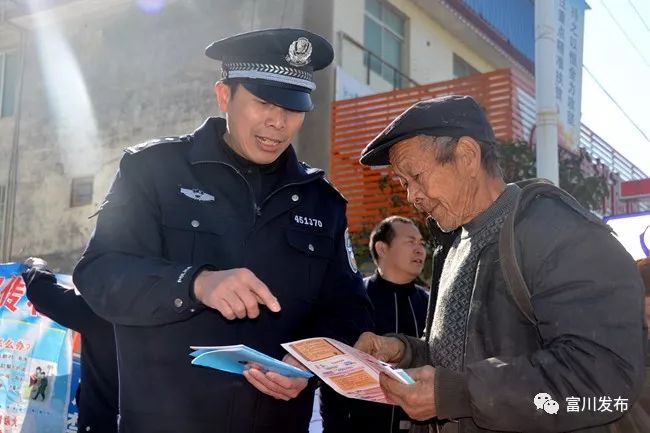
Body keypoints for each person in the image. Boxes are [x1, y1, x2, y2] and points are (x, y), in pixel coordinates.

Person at [73, 28, 372, 433]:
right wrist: (195, 284)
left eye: (294, 108)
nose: (279, 122)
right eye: (264, 102)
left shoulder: (323, 201)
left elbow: (348, 310)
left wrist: (310, 359)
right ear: (224, 96)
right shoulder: (154, 170)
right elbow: (100, 275)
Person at [353, 94, 646, 433]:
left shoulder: (556, 231)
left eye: (416, 177)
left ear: (466, 155)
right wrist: (403, 354)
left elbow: (602, 378)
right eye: (404, 183)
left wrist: (456, 394)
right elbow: (461, 361)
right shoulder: (452, 244)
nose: (412, 196)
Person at [322, 216, 428, 433]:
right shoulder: (355, 299)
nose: (420, 250)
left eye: (422, 243)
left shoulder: (432, 303)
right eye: (410, 242)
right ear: (382, 248)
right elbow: (333, 374)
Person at [22, 258, 118, 432]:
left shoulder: (100, 311)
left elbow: (42, 294)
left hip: (101, 422)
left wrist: (37, 266)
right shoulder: (176, 311)